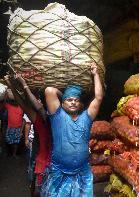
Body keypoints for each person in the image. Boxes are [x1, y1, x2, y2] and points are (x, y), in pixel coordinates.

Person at [41, 63, 104, 196]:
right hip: (59, 172)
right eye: (69, 100)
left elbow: (98, 97)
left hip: (82, 173)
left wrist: (95, 74)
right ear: (62, 103)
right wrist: (63, 94)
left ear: (81, 104)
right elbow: (50, 91)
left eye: (76, 100)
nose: (73, 102)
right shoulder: (57, 116)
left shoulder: (86, 117)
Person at [4, 74, 52, 197]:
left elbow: (36, 106)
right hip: (44, 163)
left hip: (57, 164)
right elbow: (24, 104)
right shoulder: (41, 120)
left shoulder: (60, 118)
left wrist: (24, 85)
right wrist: (12, 85)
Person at [0, 88, 24, 158]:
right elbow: (4, 103)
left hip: (18, 128)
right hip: (10, 127)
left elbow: (23, 120)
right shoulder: (9, 106)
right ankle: (10, 153)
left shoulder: (21, 107)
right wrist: (6, 95)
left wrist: (21, 130)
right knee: (8, 140)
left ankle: (14, 154)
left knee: (16, 142)